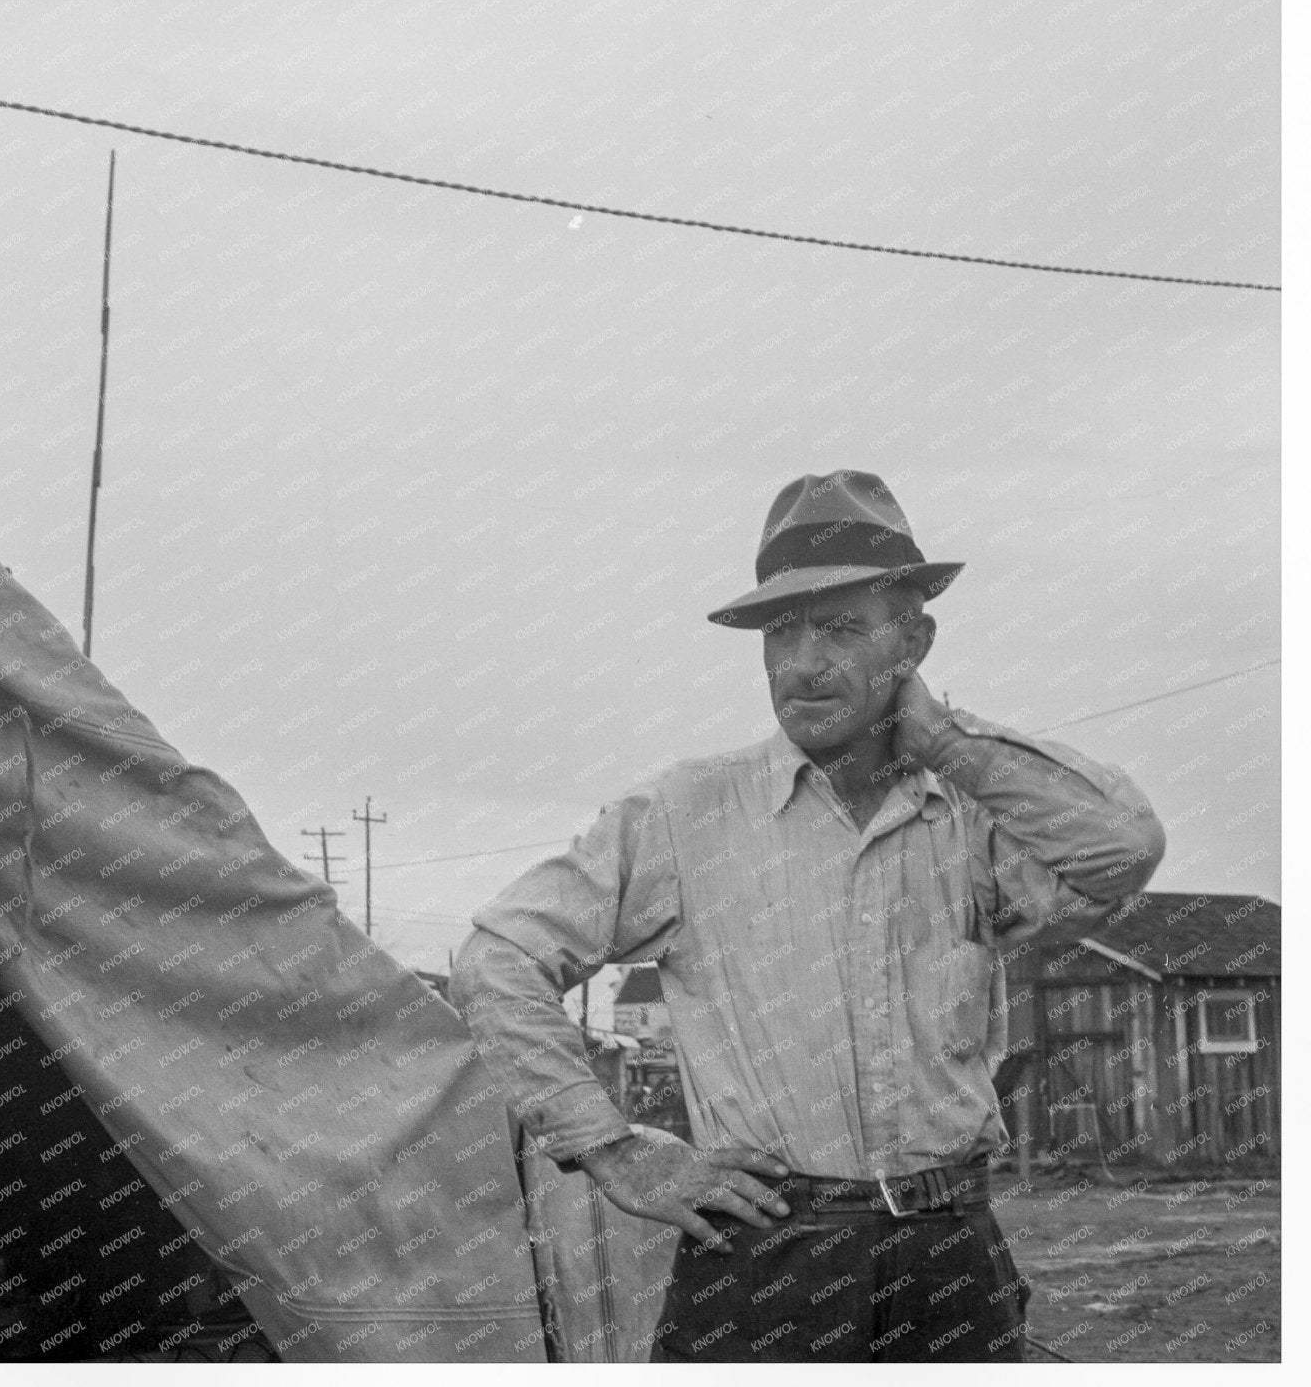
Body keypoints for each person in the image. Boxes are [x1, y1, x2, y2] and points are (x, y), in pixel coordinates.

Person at [451, 470, 1165, 1363]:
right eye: (781, 630)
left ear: (913, 641)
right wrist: (612, 1148)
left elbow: (1123, 846)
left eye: (840, 627)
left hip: (949, 1254)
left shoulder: (974, 816)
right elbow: (498, 960)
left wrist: (944, 743)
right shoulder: (685, 814)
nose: (802, 662)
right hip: (764, 1254)